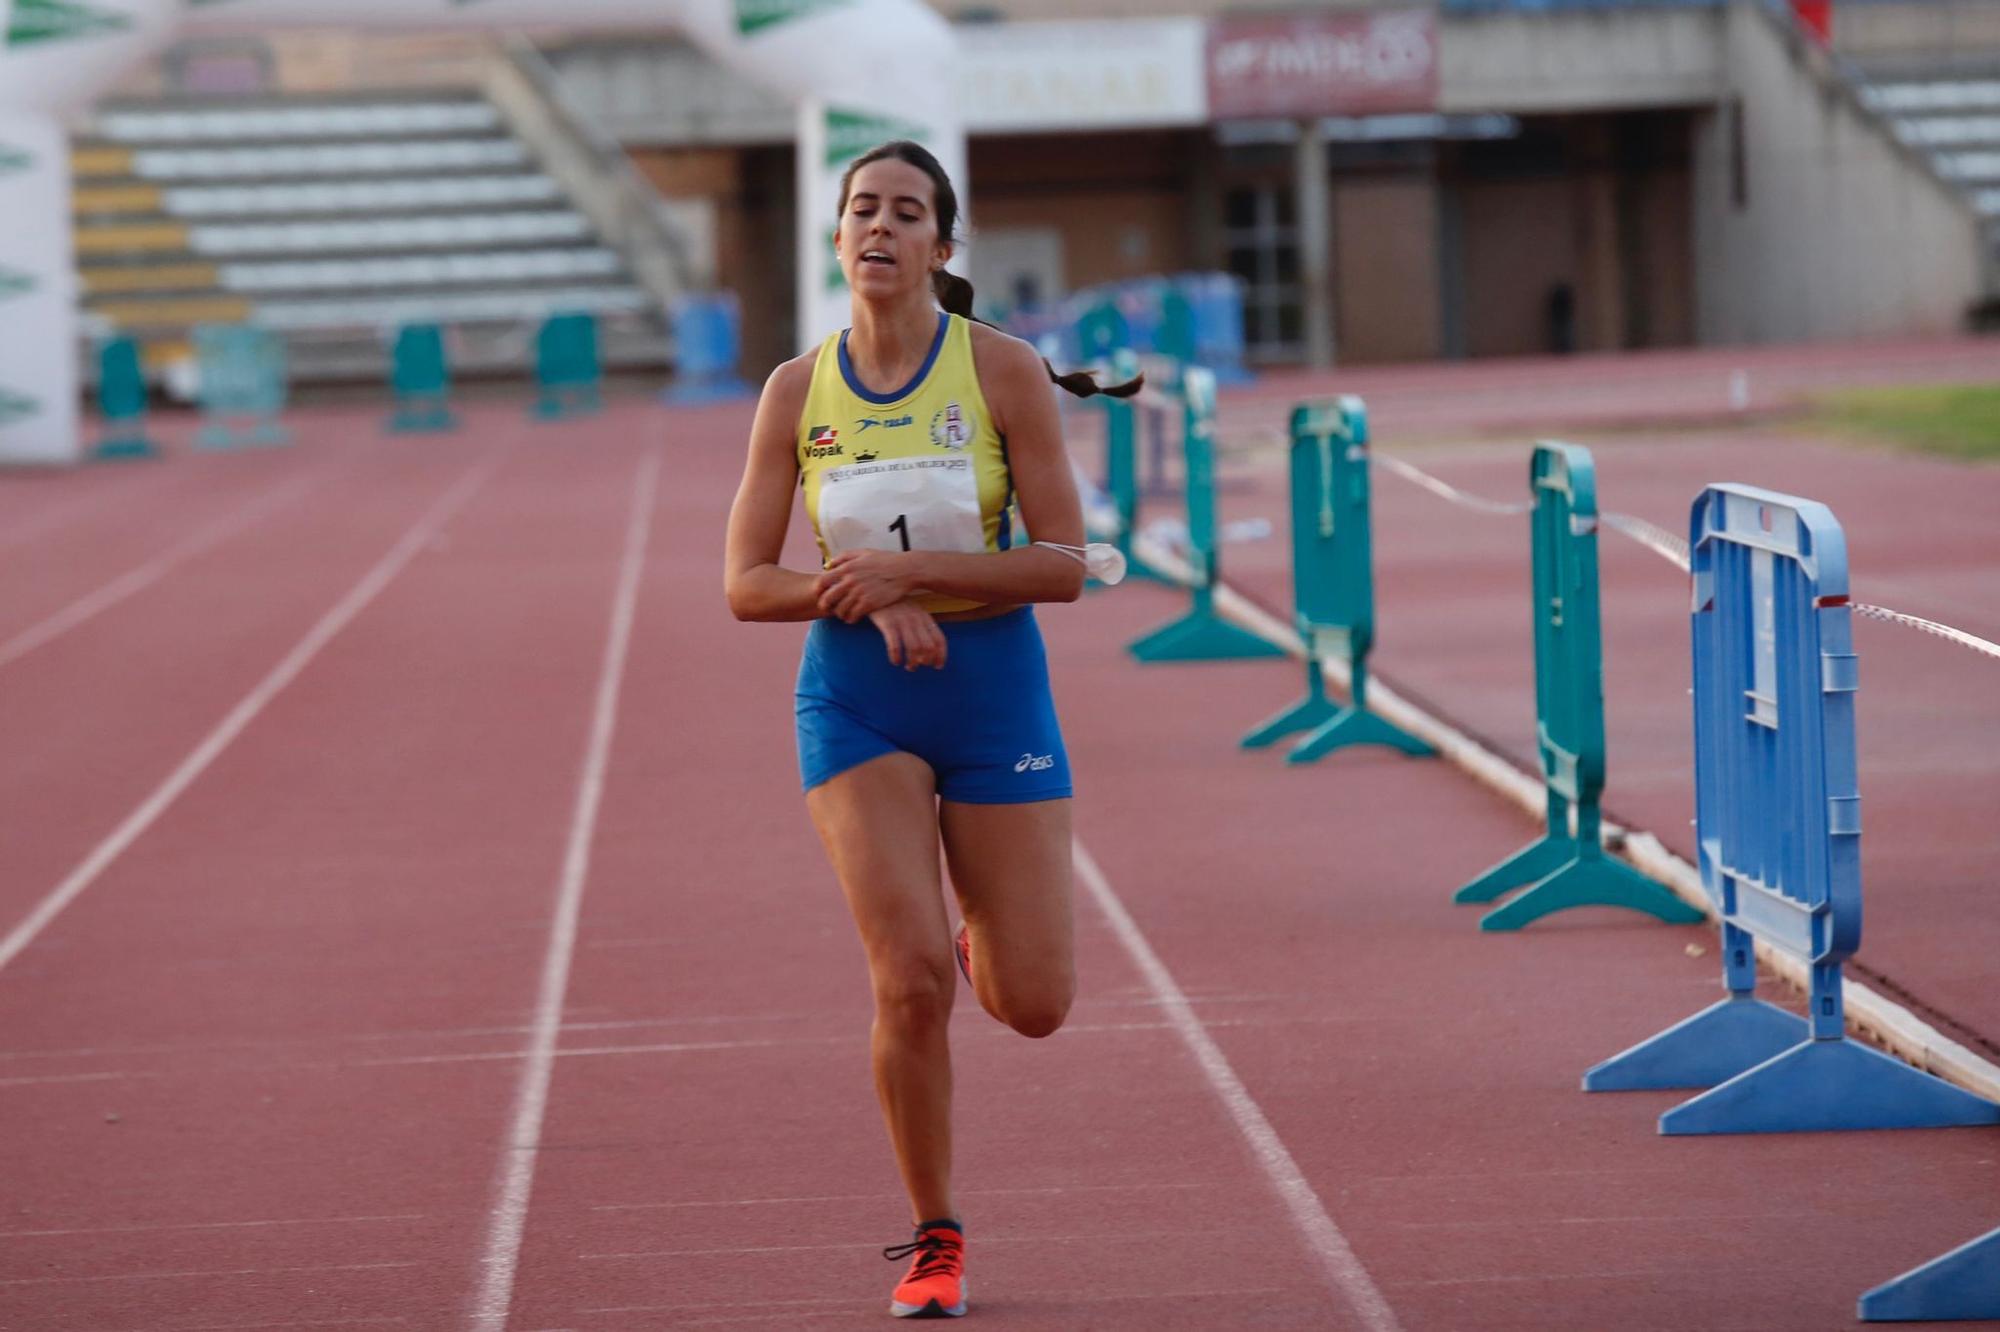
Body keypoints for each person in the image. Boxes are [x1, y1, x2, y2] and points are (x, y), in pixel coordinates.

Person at [723, 140, 1136, 1320]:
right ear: (837, 237)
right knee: (903, 985)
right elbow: (747, 582)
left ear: (940, 250)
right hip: (855, 697)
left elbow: (1064, 566)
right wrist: (860, 597)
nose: (880, 229)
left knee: (1035, 1003)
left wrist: (915, 578)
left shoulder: (999, 371)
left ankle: (982, 940)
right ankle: (934, 1234)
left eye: (907, 214)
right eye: (862, 210)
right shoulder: (795, 392)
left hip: (992, 687)